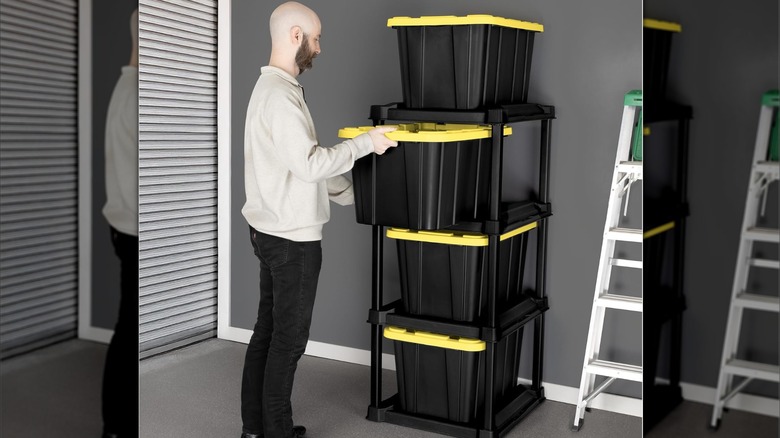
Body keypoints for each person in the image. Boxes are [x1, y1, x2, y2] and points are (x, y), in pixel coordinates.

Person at [239, 2, 397, 437]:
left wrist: (354, 197)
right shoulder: (281, 96)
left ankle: (254, 430)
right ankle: (276, 431)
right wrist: (368, 143)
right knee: (286, 343)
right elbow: (309, 165)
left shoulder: (268, 90)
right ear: (295, 36)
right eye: (316, 37)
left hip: (269, 231)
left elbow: (294, 167)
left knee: (267, 335)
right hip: (292, 242)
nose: (320, 48)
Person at [100, 7, 139, 438]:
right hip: (134, 233)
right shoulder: (136, 97)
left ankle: (115, 424)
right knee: (128, 331)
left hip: (124, 227)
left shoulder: (122, 88)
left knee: (126, 326)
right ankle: (116, 427)